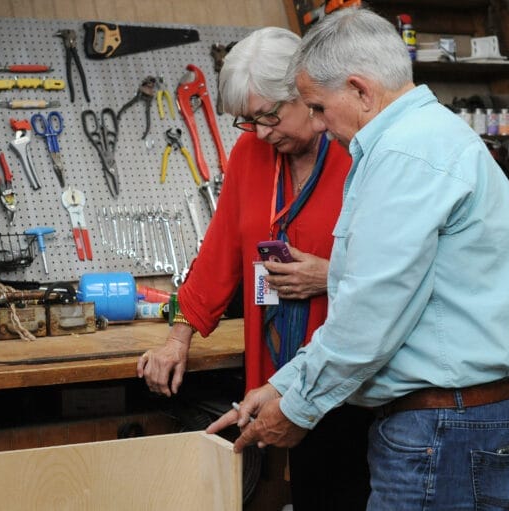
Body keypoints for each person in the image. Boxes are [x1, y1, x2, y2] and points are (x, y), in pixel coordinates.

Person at [208, 8, 509, 511]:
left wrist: (294, 408)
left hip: (447, 428)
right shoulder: (430, 139)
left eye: (317, 106)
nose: (315, 122)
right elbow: (374, 301)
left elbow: (369, 316)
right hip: (469, 418)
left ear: (360, 90)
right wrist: (281, 383)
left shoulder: (404, 156)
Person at [137, 27, 372, 510]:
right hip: (279, 373)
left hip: (353, 375)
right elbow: (219, 251)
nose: (262, 132)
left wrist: (327, 274)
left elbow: (401, 269)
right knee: (311, 491)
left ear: (306, 93)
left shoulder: (361, 153)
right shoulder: (251, 153)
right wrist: (175, 338)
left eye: (269, 115)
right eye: (248, 121)